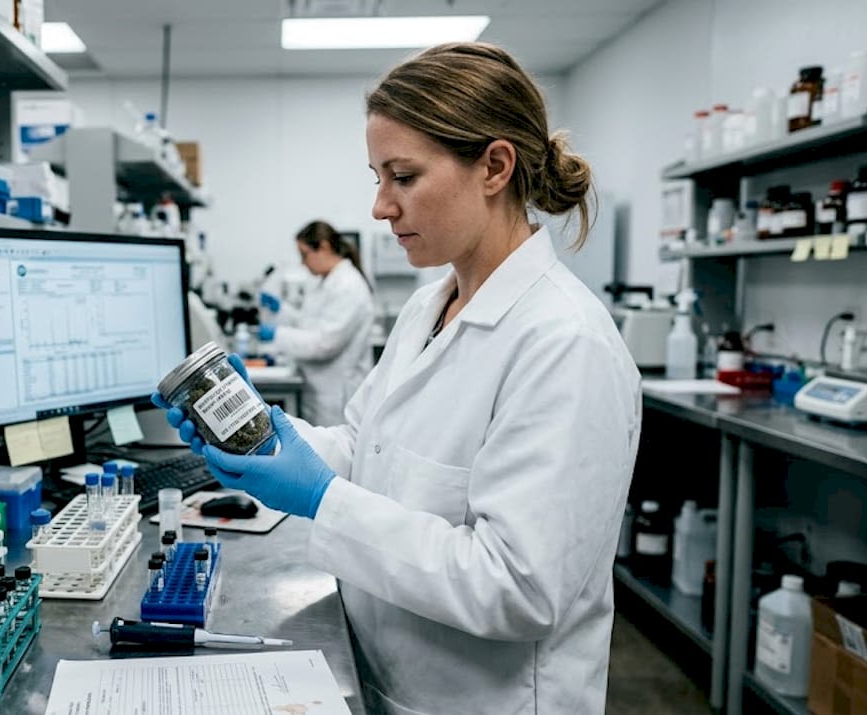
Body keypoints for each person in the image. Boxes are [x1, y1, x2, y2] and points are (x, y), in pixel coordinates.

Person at [155, 42, 641, 714]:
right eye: (376, 177)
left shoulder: (565, 342)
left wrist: (323, 498)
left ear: (495, 166)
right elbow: (365, 446)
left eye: (403, 176)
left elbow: (517, 586)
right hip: (385, 673)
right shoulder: (429, 304)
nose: (381, 207)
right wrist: (265, 435)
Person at [258, 220, 374, 426]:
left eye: (304, 255)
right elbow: (310, 324)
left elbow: (325, 343)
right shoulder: (326, 281)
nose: (303, 263)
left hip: (337, 395)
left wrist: (277, 335)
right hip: (321, 388)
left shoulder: (347, 286)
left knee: (334, 456)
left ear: (324, 247)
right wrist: (282, 310)